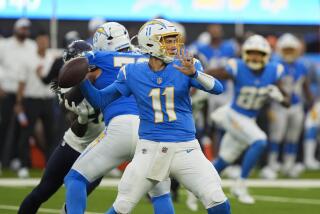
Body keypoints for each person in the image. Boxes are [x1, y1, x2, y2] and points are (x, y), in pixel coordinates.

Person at [79, 19, 230, 214]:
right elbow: (100, 100)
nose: (173, 45)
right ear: (150, 43)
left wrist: (195, 74)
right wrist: (83, 81)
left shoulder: (185, 66)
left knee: (217, 199)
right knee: (122, 205)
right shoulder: (132, 72)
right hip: (149, 149)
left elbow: (218, 88)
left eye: (174, 40)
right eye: (167, 40)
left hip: (186, 148)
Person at [63, 22, 175, 214]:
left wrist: (79, 81)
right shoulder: (149, 58)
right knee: (161, 193)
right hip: (152, 132)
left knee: (75, 179)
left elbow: (71, 78)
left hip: (119, 128)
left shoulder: (98, 57)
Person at [17, 40, 104, 214]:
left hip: (100, 148)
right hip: (73, 145)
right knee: (42, 192)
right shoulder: (66, 87)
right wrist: (84, 118)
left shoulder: (104, 79)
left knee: (75, 203)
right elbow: (76, 128)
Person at [210, 35, 290, 204]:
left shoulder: (274, 70)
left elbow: (288, 102)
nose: (254, 57)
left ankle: (198, 187)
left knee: (225, 159)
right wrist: (195, 72)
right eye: (251, 53)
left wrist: (280, 97)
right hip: (234, 115)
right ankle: (240, 185)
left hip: (249, 120)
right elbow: (217, 73)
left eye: (258, 53)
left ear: (265, 55)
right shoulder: (237, 67)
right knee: (260, 140)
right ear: (245, 54)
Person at [263, 33, 313, 178]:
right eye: (287, 49)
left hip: (296, 105)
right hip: (279, 105)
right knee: (276, 136)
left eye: (292, 49)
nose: (289, 53)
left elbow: (305, 86)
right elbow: (270, 85)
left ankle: (288, 164)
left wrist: (312, 104)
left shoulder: (302, 66)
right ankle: (272, 165)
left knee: (293, 137)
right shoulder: (275, 66)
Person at [0, 18, 36, 170]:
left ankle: (16, 159)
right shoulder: (5, 45)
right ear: (16, 29)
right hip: (6, 91)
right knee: (4, 126)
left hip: (25, 94)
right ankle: (2, 160)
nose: (24, 31)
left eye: (26, 29)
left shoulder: (32, 46)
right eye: (22, 28)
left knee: (22, 129)